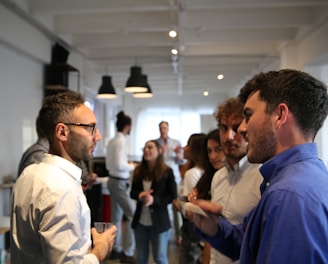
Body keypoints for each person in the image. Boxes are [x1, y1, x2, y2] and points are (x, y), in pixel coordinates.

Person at [192, 69, 328, 263]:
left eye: (248, 115)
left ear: (280, 115)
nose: (242, 129)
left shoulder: (289, 195)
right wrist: (215, 228)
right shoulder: (298, 179)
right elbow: (251, 244)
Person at [11, 91, 117, 263]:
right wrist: (99, 251)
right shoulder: (61, 190)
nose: (98, 136)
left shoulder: (29, 174)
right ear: (62, 132)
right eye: (90, 127)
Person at [130, 140, 177, 264]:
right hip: (140, 222)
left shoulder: (167, 172)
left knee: (160, 258)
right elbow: (132, 192)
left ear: (159, 151)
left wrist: (154, 200)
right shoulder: (139, 171)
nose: (146, 150)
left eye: (150, 147)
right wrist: (140, 195)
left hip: (159, 222)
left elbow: (172, 196)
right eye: (145, 148)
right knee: (141, 258)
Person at [187, 129, 225, 264]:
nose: (213, 156)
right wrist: (194, 203)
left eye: (218, 149)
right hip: (209, 244)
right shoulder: (208, 177)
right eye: (209, 151)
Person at [106, 110, 137, 263]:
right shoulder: (121, 141)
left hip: (113, 181)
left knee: (116, 217)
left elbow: (109, 164)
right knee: (132, 214)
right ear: (127, 126)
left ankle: (116, 249)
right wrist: (133, 166)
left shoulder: (112, 141)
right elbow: (119, 164)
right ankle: (128, 251)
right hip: (119, 182)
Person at [178, 133, 208, 264]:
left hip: (192, 229)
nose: (184, 148)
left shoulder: (191, 174)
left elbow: (190, 207)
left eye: (188, 145)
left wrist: (178, 204)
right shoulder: (203, 171)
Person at [157, 120, 184, 245]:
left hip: (174, 179)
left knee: (176, 206)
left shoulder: (176, 143)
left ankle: (179, 235)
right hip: (160, 179)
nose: (163, 130)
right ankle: (162, 235)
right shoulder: (156, 144)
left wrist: (177, 154)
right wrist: (160, 152)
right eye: (161, 128)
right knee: (161, 206)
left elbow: (181, 161)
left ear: (168, 129)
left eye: (165, 128)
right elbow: (152, 159)